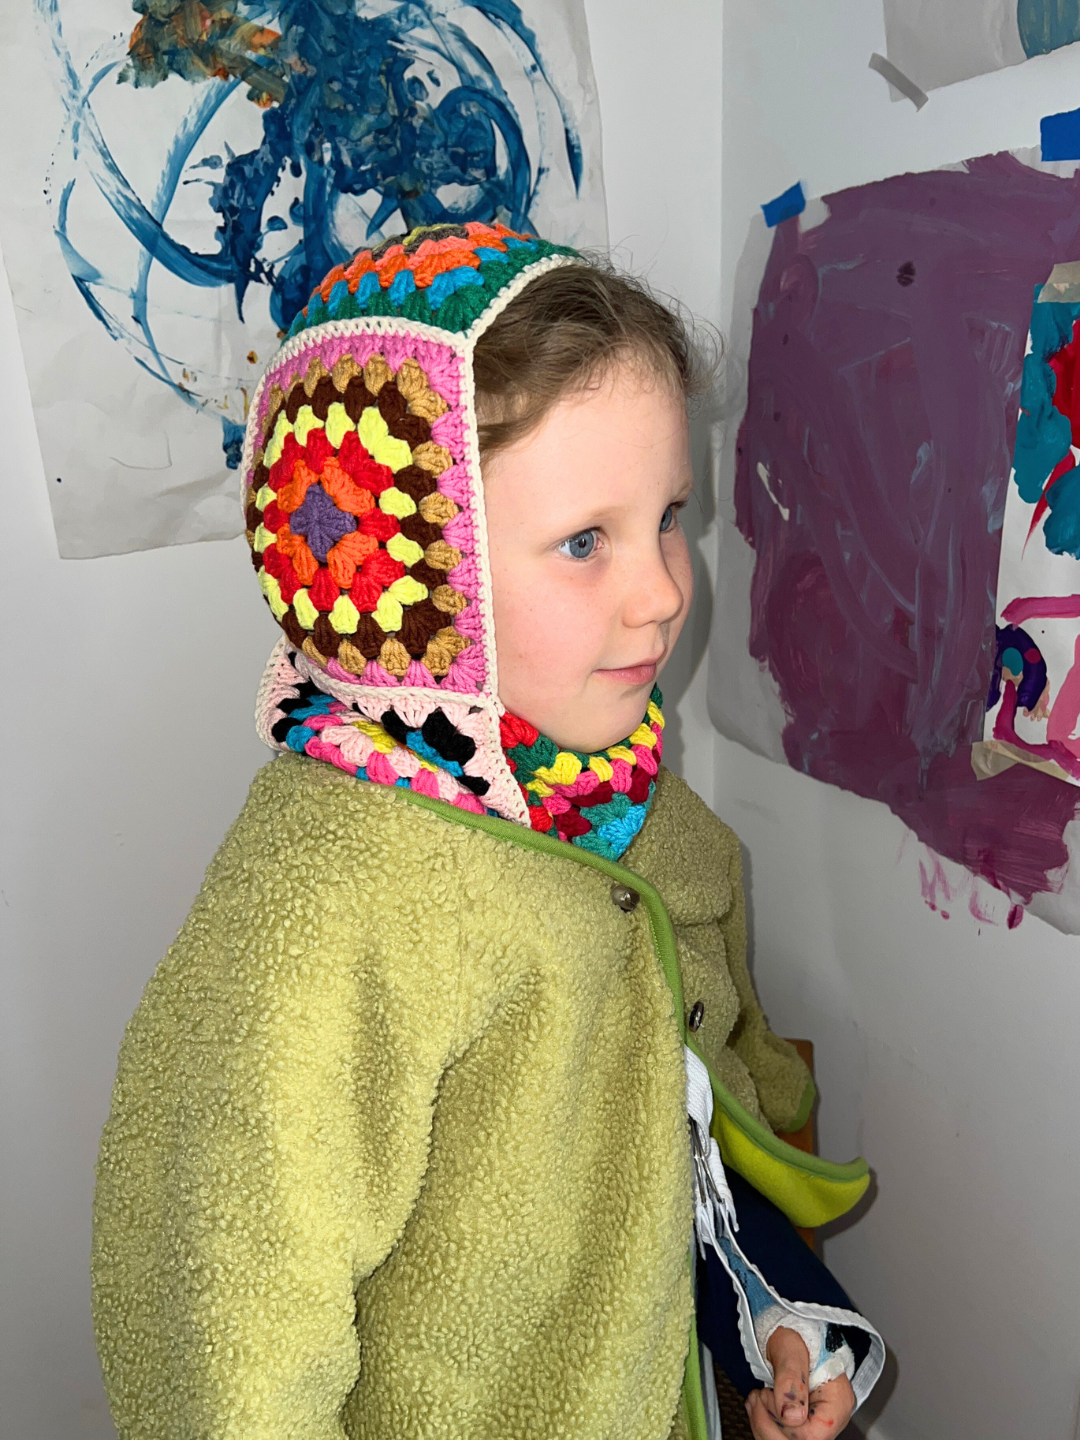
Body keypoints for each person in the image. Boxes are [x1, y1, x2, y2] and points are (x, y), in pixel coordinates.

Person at [92, 222, 883, 1440]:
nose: (667, 589)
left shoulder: (642, 810)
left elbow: (680, 1121)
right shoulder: (325, 912)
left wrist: (769, 1308)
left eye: (668, 514)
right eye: (585, 542)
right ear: (407, 582)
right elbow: (229, 1343)